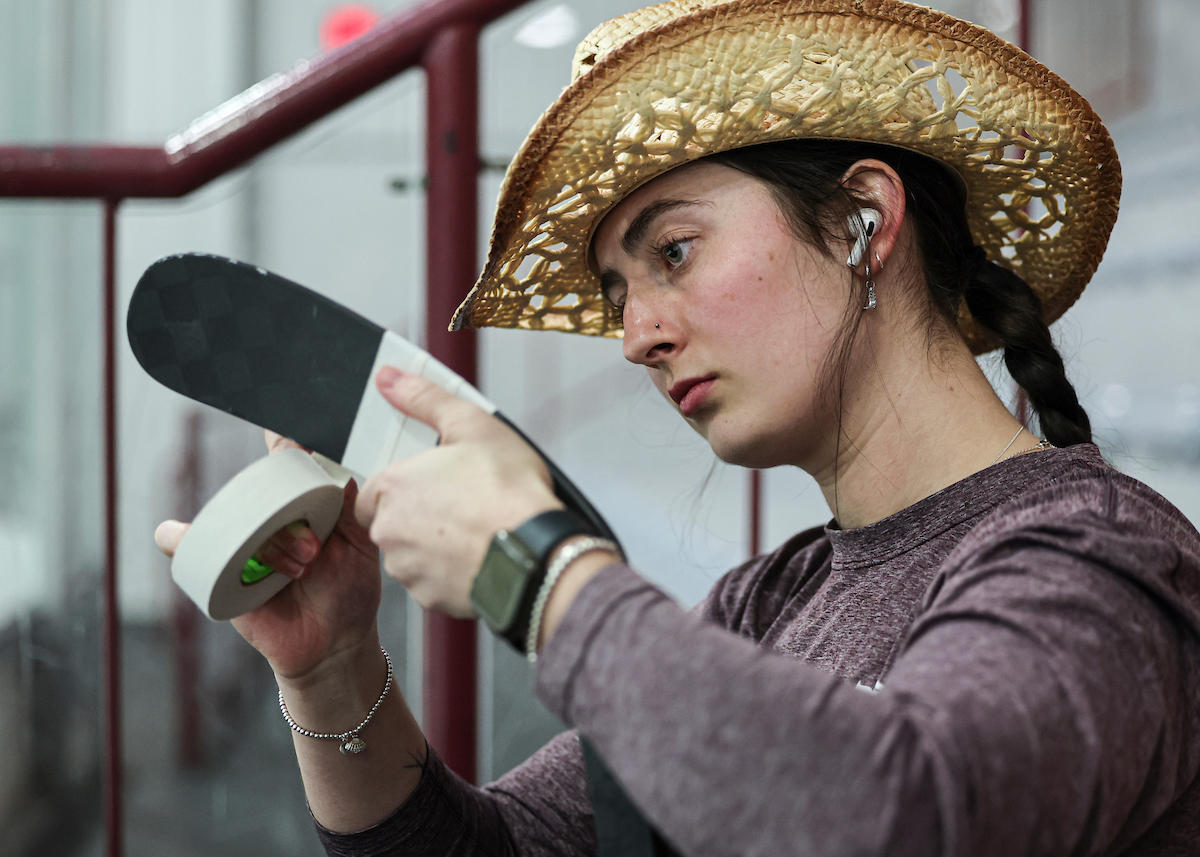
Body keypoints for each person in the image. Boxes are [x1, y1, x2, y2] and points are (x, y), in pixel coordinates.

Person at [155, 1, 1200, 855]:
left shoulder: (1100, 558)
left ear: (863, 222)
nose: (637, 336)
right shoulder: (767, 602)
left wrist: (537, 572)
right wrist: (332, 662)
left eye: (676, 252)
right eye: (618, 293)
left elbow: (904, 814)